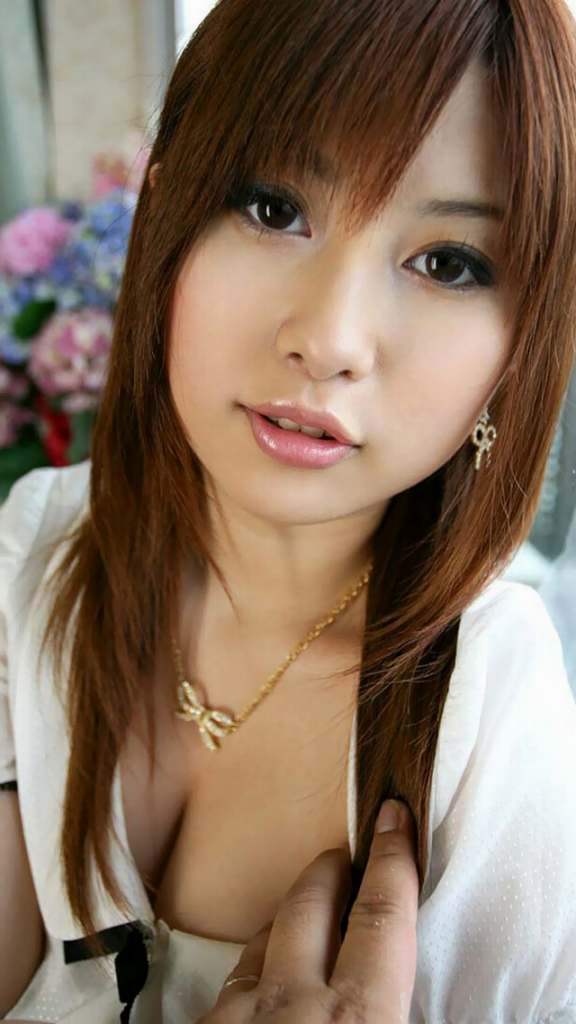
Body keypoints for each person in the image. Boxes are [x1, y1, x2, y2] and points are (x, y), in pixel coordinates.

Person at [2, 0, 576, 1021]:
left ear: (520, 347)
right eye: (272, 208)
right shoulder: (40, 544)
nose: (330, 338)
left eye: (448, 262)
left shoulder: (487, 710)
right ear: (165, 209)